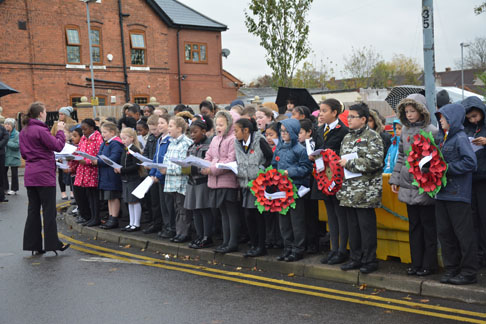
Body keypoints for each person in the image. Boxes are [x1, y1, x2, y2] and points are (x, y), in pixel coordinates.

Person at [389, 96, 438, 276]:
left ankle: (429, 264)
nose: (409, 115)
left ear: (421, 111)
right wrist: (395, 179)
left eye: (412, 111)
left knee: (428, 227)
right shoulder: (405, 131)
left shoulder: (432, 131)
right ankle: (416, 262)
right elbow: (401, 156)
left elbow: (437, 159)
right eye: (406, 112)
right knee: (414, 226)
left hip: (424, 185)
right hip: (408, 185)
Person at [337, 102, 383, 274]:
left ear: (363, 119)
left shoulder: (373, 137)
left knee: (366, 228)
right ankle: (355, 258)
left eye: (352, 117)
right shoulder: (347, 137)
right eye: (348, 116)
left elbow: (375, 161)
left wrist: (349, 163)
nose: (348, 119)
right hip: (349, 191)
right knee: (353, 228)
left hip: (366, 191)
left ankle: (370, 260)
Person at [435, 103, 478, 285]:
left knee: (463, 235)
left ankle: (468, 272)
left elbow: (471, 163)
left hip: (458, 194)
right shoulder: (441, 138)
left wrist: (446, 168)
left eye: (443, 117)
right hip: (442, 193)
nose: (441, 120)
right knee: (445, 234)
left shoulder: (460, 138)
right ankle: (451, 269)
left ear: (452, 118)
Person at [19, 102, 70, 255]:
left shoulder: (24, 131)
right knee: (48, 211)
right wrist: (60, 131)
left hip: (30, 173)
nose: (46, 113)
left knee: (33, 210)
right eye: (45, 111)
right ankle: (52, 244)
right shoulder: (41, 130)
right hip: (44, 175)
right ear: (41, 113)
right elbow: (58, 146)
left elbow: (23, 154)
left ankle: (33, 245)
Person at [310, 99, 349, 265]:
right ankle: (333, 249)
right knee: (330, 216)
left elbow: (344, 154)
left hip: (338, 179)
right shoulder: (319, 131)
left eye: (325, 111)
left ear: (335, 112)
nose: (321, 114)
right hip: (323, 178)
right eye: (320, 111)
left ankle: (342, 250)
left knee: (341, 216)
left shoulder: (343, 131)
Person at [272, 118, 313, 262]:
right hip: (281, 190)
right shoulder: (279, 148)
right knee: (284, 222)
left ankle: (298, 249)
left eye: (286, 131)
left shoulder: (300, 150)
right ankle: (287, 247)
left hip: (295, 189)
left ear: (294, 132)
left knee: (297, 222)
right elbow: (274, 164)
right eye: (281, 131)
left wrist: (290, 172)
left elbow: (306, 168)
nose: (283, 134)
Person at [203, 110, 241, 254]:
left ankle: (233, 242)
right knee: (223, 213)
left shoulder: (233, 139)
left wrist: (211, 168)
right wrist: (204, 165)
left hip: (228, 181)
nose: (219, 127)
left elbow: (230, 161)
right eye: (217, 124)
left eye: (222, 124)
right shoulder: (214, 139)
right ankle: (225, 241)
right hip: (214, 182)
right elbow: (208, 156)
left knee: (231, 213)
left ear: (229, 124)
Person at [234, 118, 273, 257]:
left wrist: (261, 169)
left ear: (246, 130)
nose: (235, 134)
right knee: (248, 215)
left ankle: (261, 246)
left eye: (236, 130)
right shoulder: (237, 143)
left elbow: (270, 157)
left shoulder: (259, 140)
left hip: (258, 184)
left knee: (257, 215)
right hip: (245, 183)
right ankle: (254, 243)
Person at [462, 96, 486, 268]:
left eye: (476, 116)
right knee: (473, 221)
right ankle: (478, 255)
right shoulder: (466, 130)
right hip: (471, 179)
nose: (473, 120)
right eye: (470, 117)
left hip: (484, 179)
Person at [161, 116, 193, 242]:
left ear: (179, 129)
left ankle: (184, 233)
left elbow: (185, 167)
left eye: (171, 126)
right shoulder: (171, 142)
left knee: (183, 209)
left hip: (181, 183)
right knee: (177, 208)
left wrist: (167, 170)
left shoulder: (186, 143)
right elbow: (166, 160)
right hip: (171, 183)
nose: (168, 129)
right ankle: (179, 232)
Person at [185, 119, 213, 249]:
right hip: (192, 181)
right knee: (195, 210)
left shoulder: (208, 145)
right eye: (190, 132)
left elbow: (206, 164)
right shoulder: (191, 146)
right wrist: (183, 167)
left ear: (203, 131)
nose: (192, 135)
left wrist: (193, 168)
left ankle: (207, 236)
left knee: (204, 210)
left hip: (202, 182)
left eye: (195, 132)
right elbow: (186, 164)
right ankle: (199, 235)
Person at [113, 127, 144, 231]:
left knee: (134, 201)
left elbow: (135, 166)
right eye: (122, 139)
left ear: (131, 138)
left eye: (125, 138)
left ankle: (136, 224)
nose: (123, 141)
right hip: (126, 179)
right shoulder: (125, 149)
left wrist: (122, 170)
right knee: (129, 201)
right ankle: (131, 223)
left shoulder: (134, 150)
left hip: (133, 179)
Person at [74, 119, 103, 226]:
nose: (83, 132)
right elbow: (80, 150)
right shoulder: (83, 138)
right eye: (82, 129)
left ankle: (96, 218)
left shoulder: (98, 138)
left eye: (85, 129)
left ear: (92, 128)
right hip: (84, 170)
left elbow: (99, 156)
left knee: (94, 196)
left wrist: (86, 161)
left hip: (92, 170)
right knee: (89, 195)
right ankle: (91, 217)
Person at [149, 114, 173, 238]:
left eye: (162, 123)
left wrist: (158, 175)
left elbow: (165, 160)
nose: (159, 125)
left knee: (168, 204)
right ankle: (166, 226)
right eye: (158, 123)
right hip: (158, 177)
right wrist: (152, 173)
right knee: (162, 204)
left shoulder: (169, 140)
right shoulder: (160, 139)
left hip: (165, 177)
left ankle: (170, 227)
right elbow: (156, 158)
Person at [96, 122, 124, 230]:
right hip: (105, 174)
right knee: (109, 198)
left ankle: (114, 218)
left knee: (114, 196)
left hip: (112, 175)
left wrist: (97, 161)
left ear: (112, 132)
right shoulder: (105, 143)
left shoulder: (116, 144)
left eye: (105, 132)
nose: (102, 134)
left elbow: (113, 159)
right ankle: (111, 216)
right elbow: (99, 154)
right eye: (102, 132)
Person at [142, 115, 163, 234]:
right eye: (151, 130)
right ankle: (155, 222)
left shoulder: (162, 138)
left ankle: (159, 223)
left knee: (158, 202)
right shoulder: (151, 138)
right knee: (151, 200)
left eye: (155, 129)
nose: (153, 132)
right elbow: (146, 152)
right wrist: (144, 161)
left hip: (158, 173)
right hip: (150, 172)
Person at [52, 106, 77, 200]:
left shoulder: (74, 124)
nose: (60, 115)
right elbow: (52, 135)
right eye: (59, 114)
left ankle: (72, 191)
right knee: (61, 172)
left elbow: (76, 135)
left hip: (70, 147)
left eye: (62, 114)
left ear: (67, 115)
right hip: (59, 147)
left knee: (71, 170)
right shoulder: (56, 124)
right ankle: (63, 192)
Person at [3, 118, 20, 195]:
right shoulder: (3, 133)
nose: (7, 125)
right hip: (5, 156)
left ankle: (14, 189)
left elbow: (17, 145)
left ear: (13, 126)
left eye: (9, 124)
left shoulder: (17, 134)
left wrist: (6, 142)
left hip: (14, 156)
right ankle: (5, 188)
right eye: (6, 124)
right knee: (3, 173)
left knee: (14, 174)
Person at [0, 121, 7, 203]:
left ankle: (1, 196)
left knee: (1, 175)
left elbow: (6, 137)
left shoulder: (1, 128)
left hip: (0, 155)